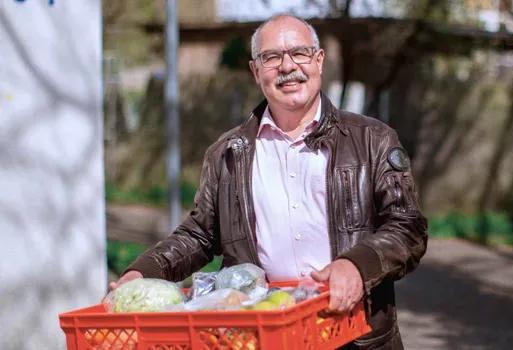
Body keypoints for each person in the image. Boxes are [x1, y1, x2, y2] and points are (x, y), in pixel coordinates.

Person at [110, 13, 428, 349]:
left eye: (300, 53)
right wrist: (144, 272)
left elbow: (407, 228)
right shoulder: (227, 153)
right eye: (271, 57)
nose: (287, 66)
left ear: (319, 61)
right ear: (256, 71)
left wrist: (357, 266)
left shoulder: (372, 140)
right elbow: (200, 234)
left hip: (355, 335)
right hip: (260, 336)